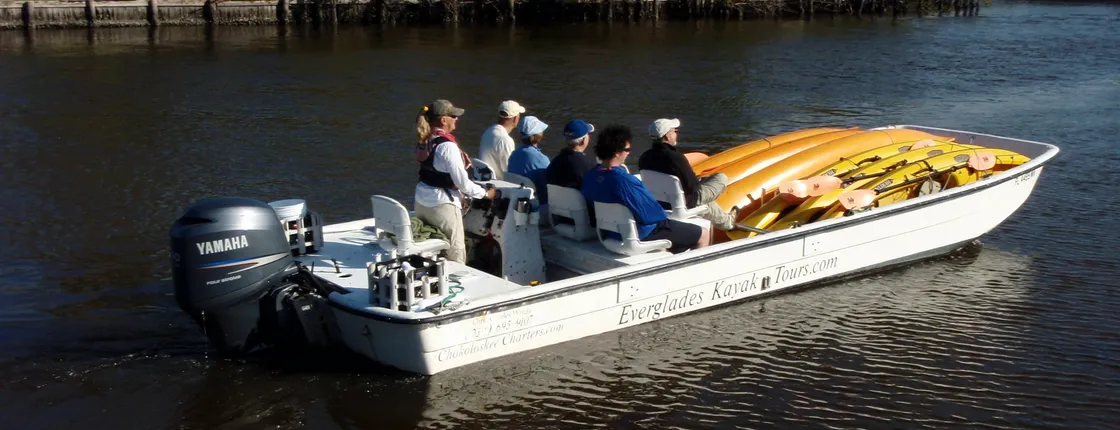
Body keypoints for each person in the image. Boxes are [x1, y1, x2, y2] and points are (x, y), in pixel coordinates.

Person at [582, 125, 710, 254]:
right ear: (617, 153)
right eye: (627, 149)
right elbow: (654, 215)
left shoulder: (590, 177)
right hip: (641, 233)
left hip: (610, 234)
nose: (628, 153)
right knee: (703, 234)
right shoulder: (624, 181)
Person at [413, 99, 497, 264]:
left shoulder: (425, 139)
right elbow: (463, 183)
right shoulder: (447, 146)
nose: (457, 119)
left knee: (434, 251)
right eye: (453, 116)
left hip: (421, 201)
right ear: (444, 120)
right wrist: (486, 194)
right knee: (456, 252)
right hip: (442, 205)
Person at [637, 118, 737, 231]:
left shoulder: (644, 157)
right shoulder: (676, 158)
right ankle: (728, 223)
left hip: (662, 202)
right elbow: (694, 187)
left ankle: (726, 221)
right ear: (667, 136)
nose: (676, 134)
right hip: (686, 201)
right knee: (721, 177)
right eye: (675, 131)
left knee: (703, 196)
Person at [507, 115, 551, 204]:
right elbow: (548, 186)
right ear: (539, 135)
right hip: (537, 204)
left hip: (515, 201)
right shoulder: (542, 159)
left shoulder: (513, 155)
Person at [477, 100, 526, 180]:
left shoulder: (489, 131)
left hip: (483, 179)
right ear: (515, 118)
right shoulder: (505, 140)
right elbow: (509, 170)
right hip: (498, 185)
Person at [546, 119, 596, 190]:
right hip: (580, 201)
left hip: (557, 200)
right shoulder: (587, 165)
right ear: (584, 140)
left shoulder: (555, 162)